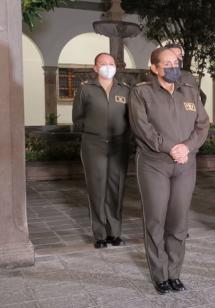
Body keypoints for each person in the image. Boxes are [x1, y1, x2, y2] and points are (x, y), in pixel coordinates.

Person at [128, 47, 210, 294]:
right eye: (167, 64)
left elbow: (203, 125)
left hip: (185, 165)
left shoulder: (190, 92)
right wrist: (170, 147)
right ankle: (159, 274)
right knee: (156, 220)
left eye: (176, 62)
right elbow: (142, 128)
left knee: (178, 221)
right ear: (154, 68)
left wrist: (186, 147)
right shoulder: (141, 93)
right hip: (154, 165)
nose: (174, 67)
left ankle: (174, 273)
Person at [72, 52, 130, 249]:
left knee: (117, 187)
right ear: (95, 68)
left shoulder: (125, 90)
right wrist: (91, 132)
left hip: (118, 145)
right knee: (97, 188)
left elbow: (131, 119)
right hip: (93, 144)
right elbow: (77, 117)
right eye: (103, 63)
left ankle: (115, 232)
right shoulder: (86, 89)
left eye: (111, 63)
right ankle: (99, 234)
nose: (108, 66)